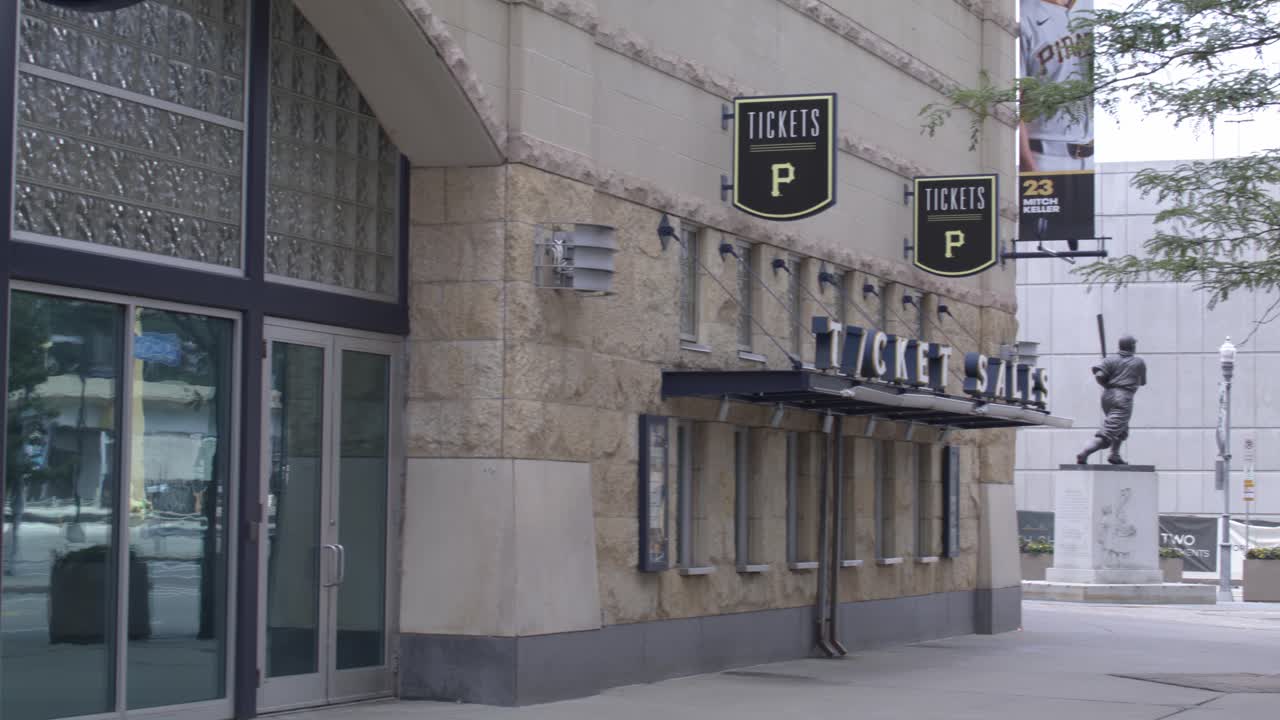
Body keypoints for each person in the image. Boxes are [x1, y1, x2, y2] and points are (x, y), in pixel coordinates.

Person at [1019, 0, 1094, 174]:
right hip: (1045, 158)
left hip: (1092, 158)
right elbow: (1012, 101)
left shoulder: (1092, 10)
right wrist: (1029, 166)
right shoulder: (1023, 16)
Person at [1076, 335, 1146, 465]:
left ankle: (1114, 455)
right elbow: (1142, 382)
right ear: (1131, 346)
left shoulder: (1110, 360)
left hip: (1107, 396)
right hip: (1123, 397)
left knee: (1121, 427)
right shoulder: (1138, 362)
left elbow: (1099, 375)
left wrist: (1107, 383)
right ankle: (1085, 452)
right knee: (1108, 433)